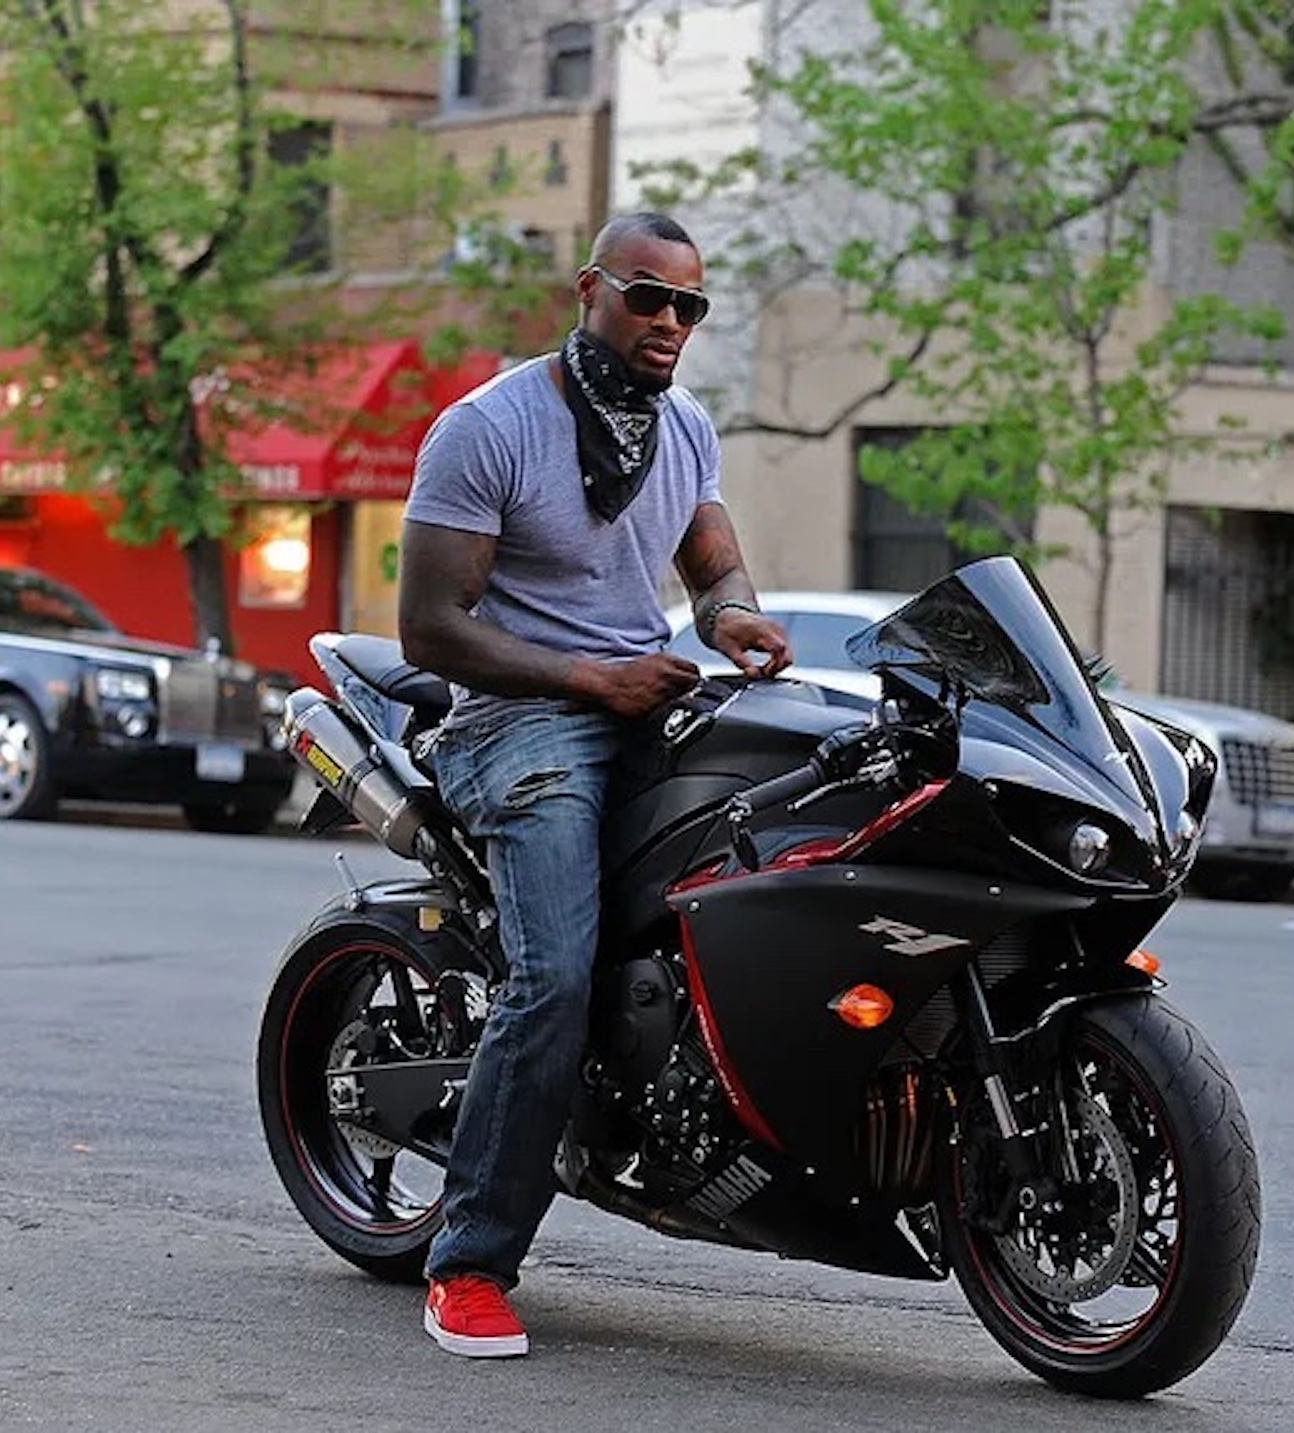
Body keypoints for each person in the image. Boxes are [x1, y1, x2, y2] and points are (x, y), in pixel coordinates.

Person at [395, 211, 793, 1359]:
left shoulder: (683, 430)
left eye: (690, 307)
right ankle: (467, 1259)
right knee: (553, 975)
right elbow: (427, 627)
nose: (670, 323)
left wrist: (735, 618)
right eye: (647, 297)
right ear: (588, 290)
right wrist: (588, 676)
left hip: (644, 698)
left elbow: (710, 562)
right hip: (519, 723)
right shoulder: (489, 427)